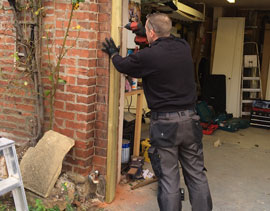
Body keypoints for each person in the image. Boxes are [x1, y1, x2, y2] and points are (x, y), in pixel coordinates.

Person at [102, 13, 212, 211]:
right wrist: (144, 30)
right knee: (196, 175)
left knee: (169, 178)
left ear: (151, 32)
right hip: (190, 120)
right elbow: (164, 38)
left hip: (165, 126)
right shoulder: (183, 46)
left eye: (146, 29)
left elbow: (122, 65)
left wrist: (113, 53)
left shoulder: (148, 56)